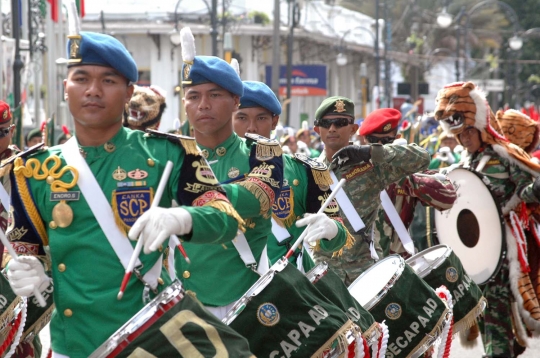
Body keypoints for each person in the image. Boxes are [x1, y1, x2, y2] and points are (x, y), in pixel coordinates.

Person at [5, 31, 254, 358]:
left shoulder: (167, 153)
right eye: (81, 78)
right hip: (73, 345)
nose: (93, 90)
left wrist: (180, 217)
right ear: (66, 88)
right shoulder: (34, 169)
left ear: (129, 93)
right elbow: (23, 246)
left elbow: (225, 218)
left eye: (108, 80)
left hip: (151, 338)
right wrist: (22, 270)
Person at [177, 28, 284, 320]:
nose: (203, 105)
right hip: (179, 300)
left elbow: (256, 197)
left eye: (214, 95)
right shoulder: (167, 153)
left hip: (239, 299)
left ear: (236, 101)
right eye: (193, 96)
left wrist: (187, 197)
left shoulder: (262, 152)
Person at [434, 81, 540, 358]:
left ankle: (499, 352)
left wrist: (516, 201)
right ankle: (505, 347)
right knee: (482, 307)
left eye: (468, 131)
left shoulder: (504, 155)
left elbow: (529, 187)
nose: (464, 138)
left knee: (495, 306)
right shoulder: (465, 163)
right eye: (459, 133)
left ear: (480, 126)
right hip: (475, 249)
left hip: (505, 247)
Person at [232, 81, 353, 271]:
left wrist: (331, 229)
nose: (251, 127)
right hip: (225, 286)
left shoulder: (303, 170)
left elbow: (338, 239)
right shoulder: (207, 166)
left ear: (274, 121)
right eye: (241, 117)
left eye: (261, 118)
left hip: (286, 285)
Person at [313, 98, 430, 285]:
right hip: (325, 276)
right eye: (326, 123)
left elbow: (422, 158)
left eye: (341, 123)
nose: (333, 128)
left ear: (353, 129)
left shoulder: (370, 167)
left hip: (364, 274)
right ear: (317, 129)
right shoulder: (308, 171)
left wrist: (370, 152)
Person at [356, 107, 456, 258]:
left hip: (399, 265)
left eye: (387, 141)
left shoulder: (408, 172)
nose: (381, 147)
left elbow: (448, 198)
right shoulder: (354, 173)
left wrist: (411, 181)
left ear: (398, 138)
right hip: (362, 267)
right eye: (374, 141)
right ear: (364, 140)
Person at [0, 101, 46, 358]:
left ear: (12, 130)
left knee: (18, 344)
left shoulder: (27, 168)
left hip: (13, 269)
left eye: (0, 132)